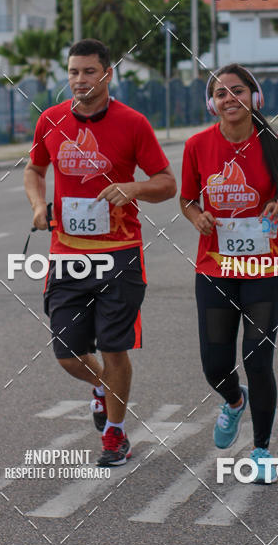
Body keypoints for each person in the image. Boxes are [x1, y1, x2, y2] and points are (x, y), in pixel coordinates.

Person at [24, 39, 176, 467]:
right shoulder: (51, 121)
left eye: (89, 72)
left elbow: (168, 183)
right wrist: (38, 206)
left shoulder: (133, 123)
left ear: (107, 75)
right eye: (73, 72)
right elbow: (34, 169)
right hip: (66, 255)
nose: (80, 80)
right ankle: (99, 387)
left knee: (113, 348)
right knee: (67, 353)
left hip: (120, 253)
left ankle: (114, 433)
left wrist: (134, 188)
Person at [180, 64, 278, 483]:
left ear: (255, 98)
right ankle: (234, 401)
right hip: (215, 269)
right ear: (211, 103)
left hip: (264, 270)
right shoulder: (198, 146)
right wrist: (197, 216)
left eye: (237, 91)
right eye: (220, 93)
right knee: (215, 364)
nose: (229, 99)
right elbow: (186, 199)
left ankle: (262, 450)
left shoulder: (276, 145)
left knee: (257, 357)